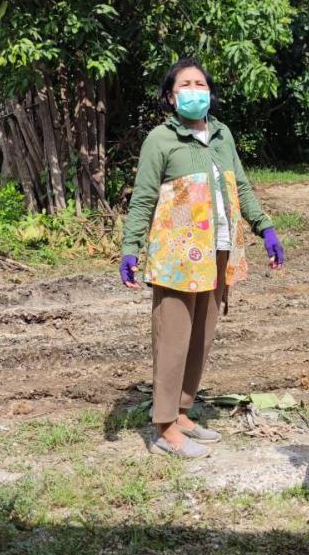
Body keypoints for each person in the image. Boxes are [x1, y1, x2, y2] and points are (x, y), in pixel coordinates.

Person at [119, 58, 284, 459]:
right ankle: (163, 427)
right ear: (170, 97)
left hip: (219, 251)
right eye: (185, 85)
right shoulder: (161, 139)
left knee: (201, 338)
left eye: (200, 84)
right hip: (177, 257)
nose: (195, 90)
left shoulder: (222, 135)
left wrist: (265, 228)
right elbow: (143, 197)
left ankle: (181, 412)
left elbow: (241, 186)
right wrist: (130, 247)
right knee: (173, 338)